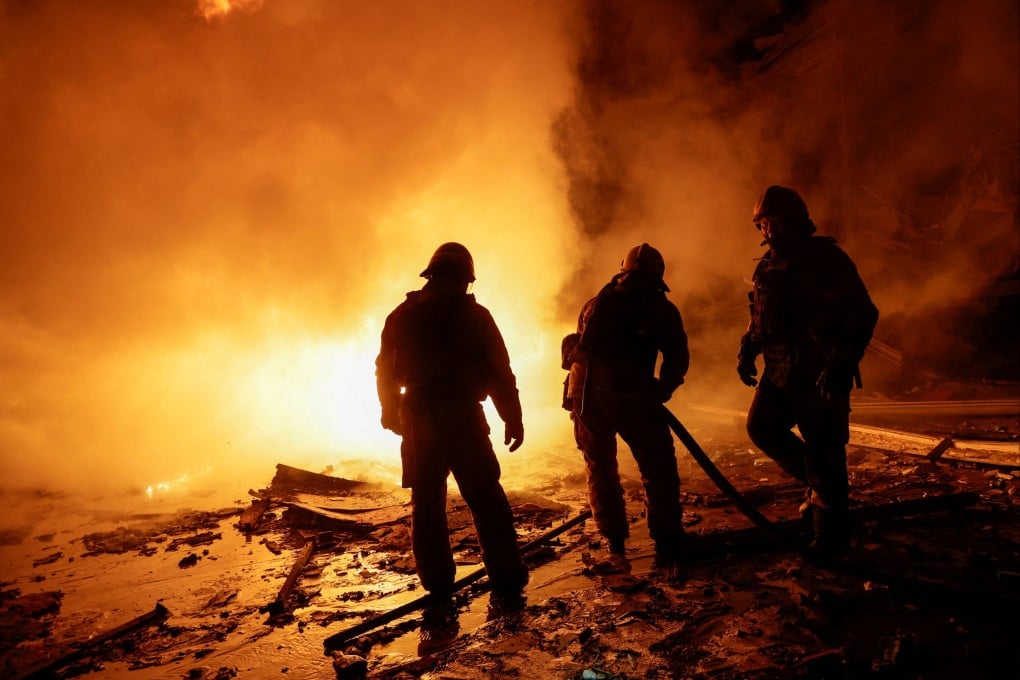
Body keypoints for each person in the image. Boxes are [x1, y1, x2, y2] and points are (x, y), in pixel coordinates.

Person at [375, 242, 528, 602]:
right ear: (463, 279)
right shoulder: (476, 317)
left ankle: (438, 584)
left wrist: (390, 410)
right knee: (485, 497)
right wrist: (512, 417)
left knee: (427, 502)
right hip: (461, 416)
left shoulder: (401, 315)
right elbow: (499, 373)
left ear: (431, 275)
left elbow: (384, 371)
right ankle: (506, 577)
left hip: (419, 416)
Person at [737, 185, 879, 557]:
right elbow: (761, 317)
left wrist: (840, 364)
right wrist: (748, 348)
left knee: (825, 451)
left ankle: (830, 540)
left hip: (819, 372)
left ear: (793, 219)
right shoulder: (766, 265)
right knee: (761, 427)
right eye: (761, 223)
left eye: (772, 220)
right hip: (780, 370)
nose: (766, 229)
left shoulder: (826, 259)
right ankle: (819, 489)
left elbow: (864, 314)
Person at [562, 243, 690, 563]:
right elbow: (677, 356)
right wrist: (664, 388)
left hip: (585, 396)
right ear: (657, 276)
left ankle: (614, 542)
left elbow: (579, 348)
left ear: (623, 271)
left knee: (600, 467)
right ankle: (667, 540)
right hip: (630, 395)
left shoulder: (596, 303)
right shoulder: (660, 308)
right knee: (657, 464)